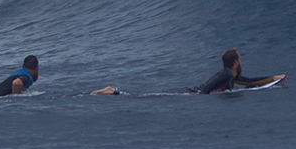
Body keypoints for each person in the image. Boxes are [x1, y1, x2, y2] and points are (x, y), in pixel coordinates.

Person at [90, 48, 284, 95]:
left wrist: (273, 78)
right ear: (234, 62)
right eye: (240, 59)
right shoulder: (225, 74)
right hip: (189, 95)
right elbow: (207, 87)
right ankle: (113, 92)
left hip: (192, 94)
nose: (241, 62)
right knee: (145, 97)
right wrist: (200, 96)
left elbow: (249, 82)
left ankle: (114, 92)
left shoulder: (231, 75)